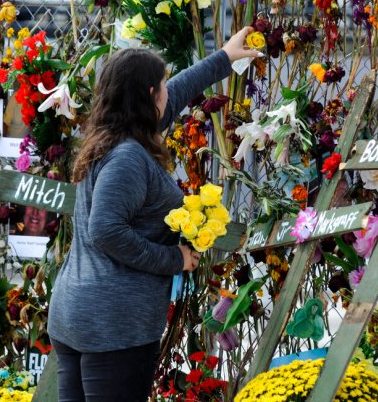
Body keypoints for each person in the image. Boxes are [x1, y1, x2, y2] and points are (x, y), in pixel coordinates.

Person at [47, 27, 261, 401]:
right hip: (112, 325)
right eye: (160, 85)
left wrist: (224, 58)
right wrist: (172, 258)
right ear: (148, 95)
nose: (167, 91)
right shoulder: (128, 156)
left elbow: (176, 92)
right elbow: (106, 230)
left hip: (82, 315)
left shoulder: (116, 134)